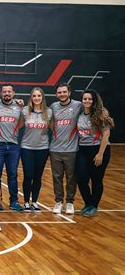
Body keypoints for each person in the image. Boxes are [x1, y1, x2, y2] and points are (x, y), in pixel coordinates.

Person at [76, 90, 114, 217]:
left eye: (90, 99)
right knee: (81, 178)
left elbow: (106, 134)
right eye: (85, 99)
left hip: (98, 149)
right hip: (83, 150)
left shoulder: (100, 114)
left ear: (94, 101)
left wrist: (100, 154)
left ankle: (94, 206)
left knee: (96, 179)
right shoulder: (80, 114)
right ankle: (88, 203)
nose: (87, 101)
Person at [50, 82, 82, 214]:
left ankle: (69, 202)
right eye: (59, 92)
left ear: (69, 92)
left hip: (71, 149)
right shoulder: (53, 107)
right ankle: (58, 202)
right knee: (57, 177)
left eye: (64, 92)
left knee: (71, 177)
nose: (62, 94)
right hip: (55, 149)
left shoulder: (78, 105)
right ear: (56, 94)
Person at [20, 87, 52, 212]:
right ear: (31, 98)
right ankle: (26, 202)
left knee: (38, 176)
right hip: (27, 147)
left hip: (42, 148)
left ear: (42, 98)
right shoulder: (25, 111)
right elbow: (17, 125)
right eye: (34, 96)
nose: (36, 98)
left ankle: (35, 202)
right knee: (28, 175)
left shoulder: (48, 112)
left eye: (39, 96)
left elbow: (53, 128)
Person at [0, 85, 23, 211]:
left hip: (13, 145)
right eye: (4, 92)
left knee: (12, 174)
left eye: (9, 91)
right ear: (1, 93)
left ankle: (14, 201)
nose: (7, 94)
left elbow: (21, 123)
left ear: (13, 93)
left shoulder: (19, 107)